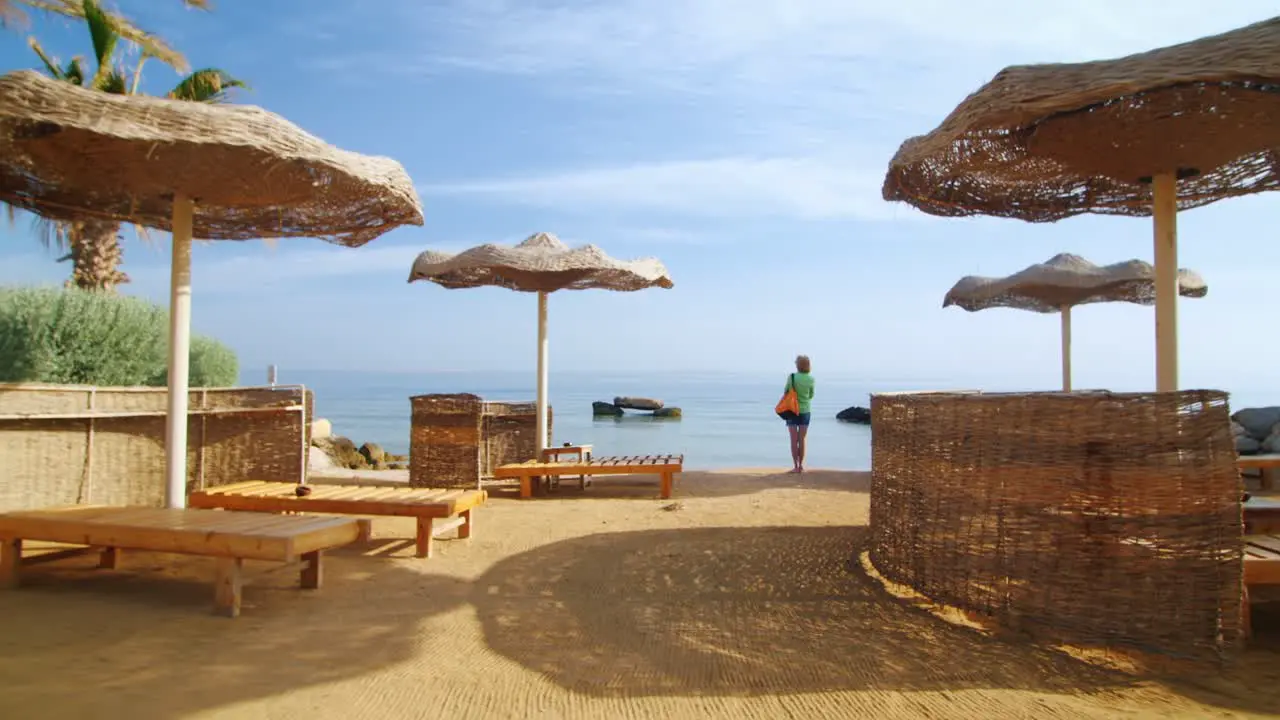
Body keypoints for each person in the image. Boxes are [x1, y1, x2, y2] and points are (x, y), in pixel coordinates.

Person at [784, 355, 815, 472]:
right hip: (805, 411)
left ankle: (795, 466)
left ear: (798, 365)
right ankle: (801, 466)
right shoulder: (811, 379)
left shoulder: (792, 377)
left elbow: (786, 391)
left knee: (793, 439)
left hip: (792, 410)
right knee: (801, 439)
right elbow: (811, 395)